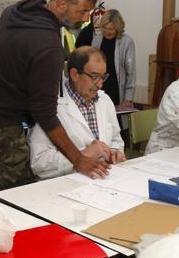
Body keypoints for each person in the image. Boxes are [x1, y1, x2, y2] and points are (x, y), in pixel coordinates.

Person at [0, 0, 108, 190]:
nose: (85, 18)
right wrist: (78, 159)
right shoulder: (48, 45)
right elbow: (44, 112)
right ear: (61, 4)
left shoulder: (18, 10)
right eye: (82, 11)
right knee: (18, 191)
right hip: (0, 124)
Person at [29, 47, 125, 179]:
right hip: (64, 185)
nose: (100, 84)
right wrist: (83, 155)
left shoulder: (105, 100)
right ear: (74, 74)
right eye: (94, 76)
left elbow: (115, 139)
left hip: (102, 180)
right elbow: (39, 162)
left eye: (103, 77)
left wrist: (115, 152)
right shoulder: (50, 106)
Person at [92, 9, 136, 107]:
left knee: (117, 119)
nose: (107, 32)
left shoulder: (127, 42)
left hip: (117, 89)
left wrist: (129, 97)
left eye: (111, 29)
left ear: (118, 28)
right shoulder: (96, 39)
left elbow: (130, 71)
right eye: (105, 28)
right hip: (99, 87)